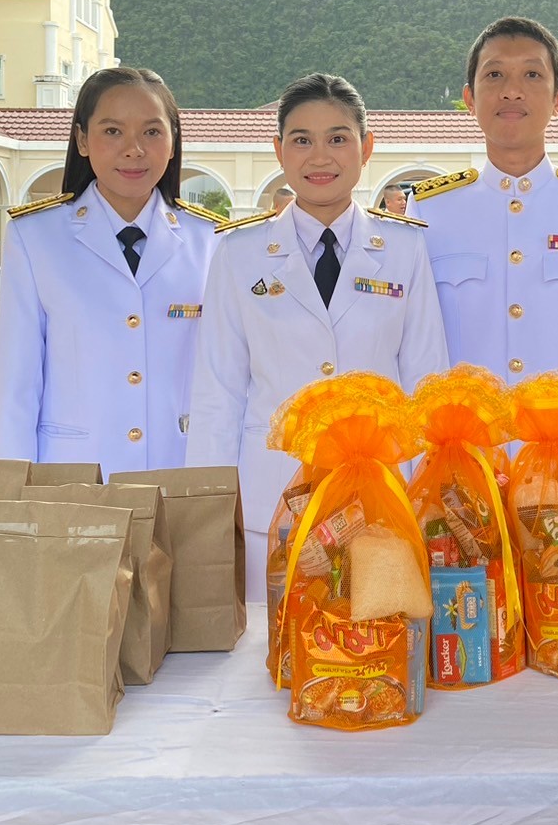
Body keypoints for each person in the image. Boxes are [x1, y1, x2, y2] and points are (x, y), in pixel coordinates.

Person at [187, 72, 449, 593]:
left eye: (338, 138)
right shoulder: (239, 254)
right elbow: (217, 391)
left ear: (366, 147)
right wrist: (210, 513)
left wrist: (427, 496)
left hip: (381, 495)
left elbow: (426, 380)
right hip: (272, 499)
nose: (320, 156)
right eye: (302, 140)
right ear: (279, 151)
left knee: (376, 647)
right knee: (276, 654)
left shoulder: (403, 249)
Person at [408, 16, 558, 459]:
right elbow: (417, 360)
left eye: (532, 75)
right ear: (469, 98)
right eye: (495, 74)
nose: (512, 90)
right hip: (467, 472)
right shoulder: (429, 209)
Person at [0, 66, 223, 474]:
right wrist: (12, 494)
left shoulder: (212, 240)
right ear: (82, 139)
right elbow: (17, 387)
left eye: (152, 132)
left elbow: (226, 379)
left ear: (172, 143)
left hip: (181, 471)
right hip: (72, 477)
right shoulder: (35, 237)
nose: (134, 149)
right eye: (112, 131)